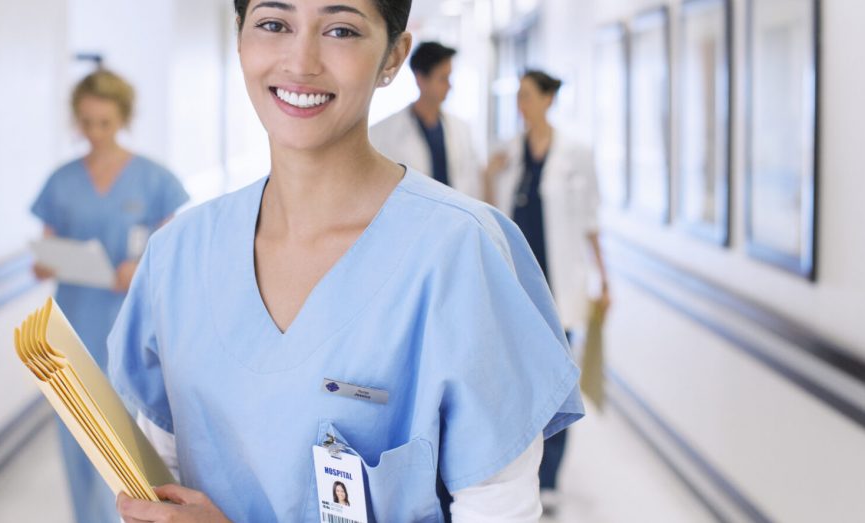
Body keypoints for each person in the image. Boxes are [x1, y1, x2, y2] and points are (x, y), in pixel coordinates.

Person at [109, 2, 582, 521]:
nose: (301, 61)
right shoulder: (177, 257)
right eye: (273, 24)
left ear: (393, 57)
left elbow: (498, 510)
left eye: (341, 30)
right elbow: (164, 484)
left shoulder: (460, 253)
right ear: (240, 37)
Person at [30, 69, 189, 523]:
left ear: (123, 118)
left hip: (133, 332)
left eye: (104, 122)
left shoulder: (155, 180)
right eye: (86, 122)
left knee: (129, 449)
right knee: (78, 444)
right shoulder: (61, 181)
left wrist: (138, 271)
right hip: (70, 330)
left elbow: (170, 259)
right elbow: (45, 250)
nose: (95, 133)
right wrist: (47, 262)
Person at [482, 70, 610, 514]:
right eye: (517, 96)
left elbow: (591, 222)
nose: (521, 104)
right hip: (517, 287)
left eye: (527, 96)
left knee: (558, 384)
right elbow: (487, 214)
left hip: (561, 290)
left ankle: (550, 476)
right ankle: (522, 470)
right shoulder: (507, 152)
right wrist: (488, 173)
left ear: (548, 100)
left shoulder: (576, 153)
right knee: (518, 384)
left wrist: (603, 281)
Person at [368, 41, 483, 199]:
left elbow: (471, 181)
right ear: (420, 78)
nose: (450, 86)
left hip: (457, 217)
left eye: (450, 78)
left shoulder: (461, 129)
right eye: (443, 79)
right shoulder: (382, 133)